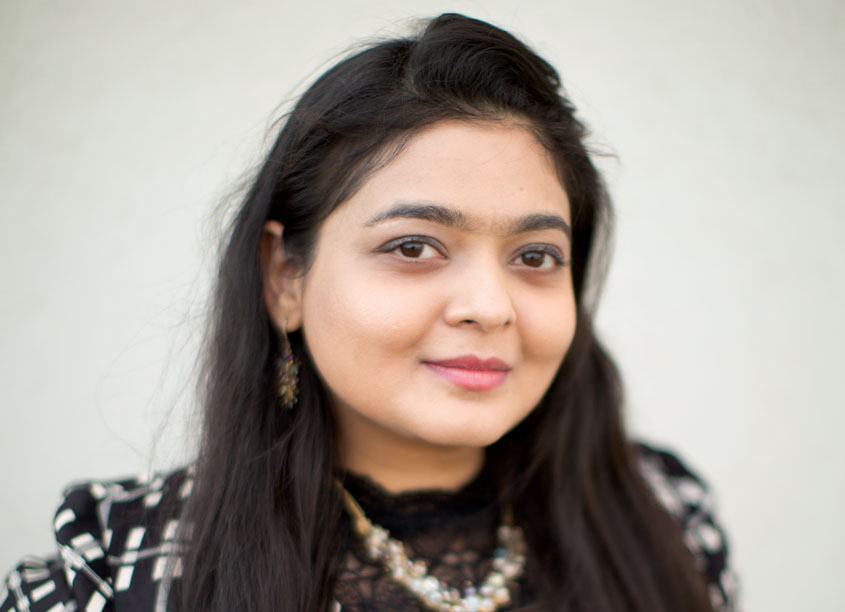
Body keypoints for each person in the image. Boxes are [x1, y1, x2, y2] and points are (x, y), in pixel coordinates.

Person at [1, 13, 737, 612]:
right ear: (284, 277)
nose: (489, 307)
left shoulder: (665, 519)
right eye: (413, 246)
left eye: (535, 256)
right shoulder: (108, 575)